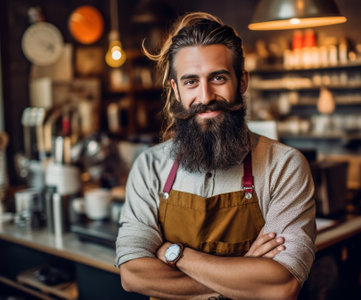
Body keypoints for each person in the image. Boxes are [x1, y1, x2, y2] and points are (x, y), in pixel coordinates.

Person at [115, 12, 316, 299]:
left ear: (242, 81)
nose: (206, 95)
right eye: (190, 82)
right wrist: (245, 269)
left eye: (218, 78)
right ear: (176, 90)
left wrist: (174, 254)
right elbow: (133, 275)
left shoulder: (283, 166)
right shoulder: (149, 167)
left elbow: (280, 285)